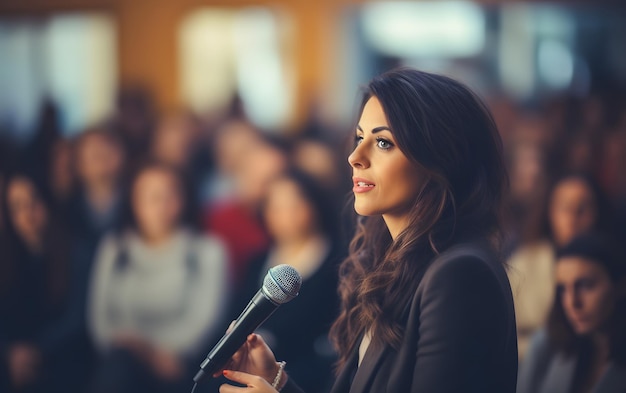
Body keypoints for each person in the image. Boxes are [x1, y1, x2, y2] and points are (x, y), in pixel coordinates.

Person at [214, 68, 518, 392]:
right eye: (360, 138)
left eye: (383, 142)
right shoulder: (395, 261)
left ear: (440, 159)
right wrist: (276, 380)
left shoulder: (459, 273)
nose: (355, 157)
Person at [87, 160, 229, 393]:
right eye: (151, 197)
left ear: (184, 199)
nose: (161, 206)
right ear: (133, 201)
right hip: (120, 359)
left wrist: (158, 354)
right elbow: (100, 321)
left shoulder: (207, 250)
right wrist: (142, 350)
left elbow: (205, 319)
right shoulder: (115, 248)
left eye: (170, 196)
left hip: (179, 363)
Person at [233, 169, 343, 393]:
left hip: (303, 375)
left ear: (313, 204)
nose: (286, 215)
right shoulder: (258, 261)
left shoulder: (337, 263)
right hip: (249, 367)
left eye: (294, 205)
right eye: (276, 207)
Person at [507, 173, 611, 358]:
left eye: (583, 208)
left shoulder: (610, 267)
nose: (573, 217)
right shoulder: (523, 263)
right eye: (565, 208)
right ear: (550, 213)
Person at [517, 232, 626, 393]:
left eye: (586, 285)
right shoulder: (546, 345)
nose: (572, 302)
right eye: (563, 289)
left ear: (620, 286)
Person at [0, 172, 74, 393]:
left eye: (34, 201)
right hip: (10, 359)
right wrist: (9, 353)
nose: (27, 213)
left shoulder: (75, 251)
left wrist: (33, 352)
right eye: (17, 206)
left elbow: (77, 318)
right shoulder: (5, 255)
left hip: (60, 355)